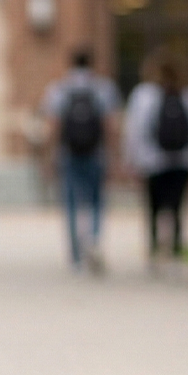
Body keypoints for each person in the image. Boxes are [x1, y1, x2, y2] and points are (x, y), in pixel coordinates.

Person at [124, 50, 188, 261]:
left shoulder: (143, 95)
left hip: (152, 161)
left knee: (153, 207)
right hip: (183, 160)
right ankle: (176, 248)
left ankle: (154, 247)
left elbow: (134, 131)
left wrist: (132, 161)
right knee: (177, 206)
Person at [41, 47, 120, 271]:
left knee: (71, 204)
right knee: (96, 201)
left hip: (68, 153)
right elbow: (110, 125)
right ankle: (93, 242)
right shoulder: (103, 88)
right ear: (91, 63)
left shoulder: (59, 89)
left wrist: (49, 156)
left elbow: (53, 125)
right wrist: (113, 155)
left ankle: (76, 257)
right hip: (96, 153)